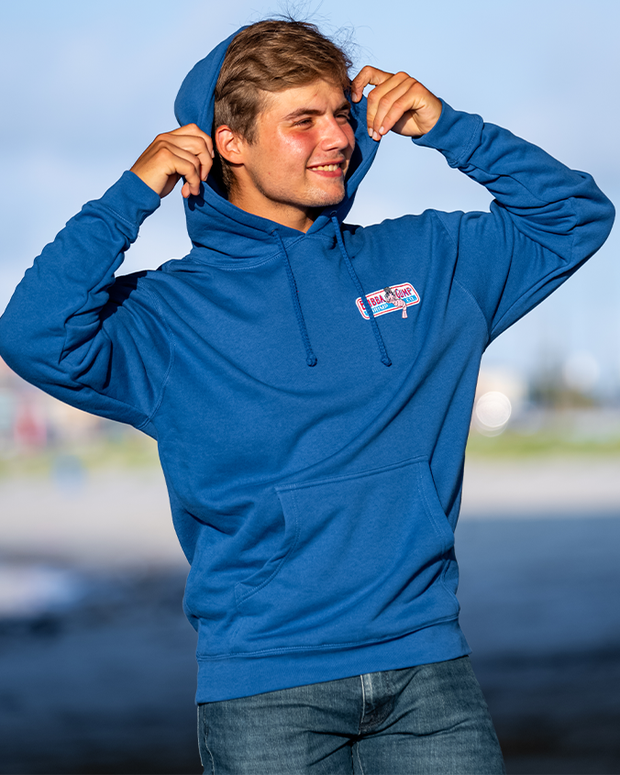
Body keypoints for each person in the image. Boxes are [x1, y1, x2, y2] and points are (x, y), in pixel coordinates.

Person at [0, 17, 614, 775]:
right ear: (229, 143)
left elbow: (575, 217)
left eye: (340, 114)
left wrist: (451, 129)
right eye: (303, 121)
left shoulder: (429, 260)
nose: (338, 138)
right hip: (265, 689)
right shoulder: (166, 318)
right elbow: (34, 334)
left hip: (428, 672)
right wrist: (132, 193)